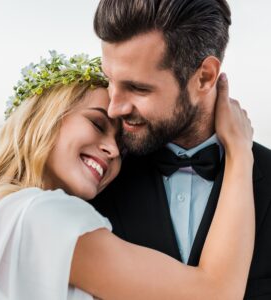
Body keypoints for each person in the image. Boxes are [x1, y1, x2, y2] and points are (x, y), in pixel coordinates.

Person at [0, 51, 253, 300]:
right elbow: (216, 293)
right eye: (96, 123)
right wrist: (239, 151)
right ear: (43, 118)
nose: (113, 151)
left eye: (121, 144)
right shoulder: (41, 214)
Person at [92, 0, 271, 299]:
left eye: (139, 88)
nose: (114, 107)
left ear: (204, 77)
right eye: (110, 81)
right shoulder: (96, 177)